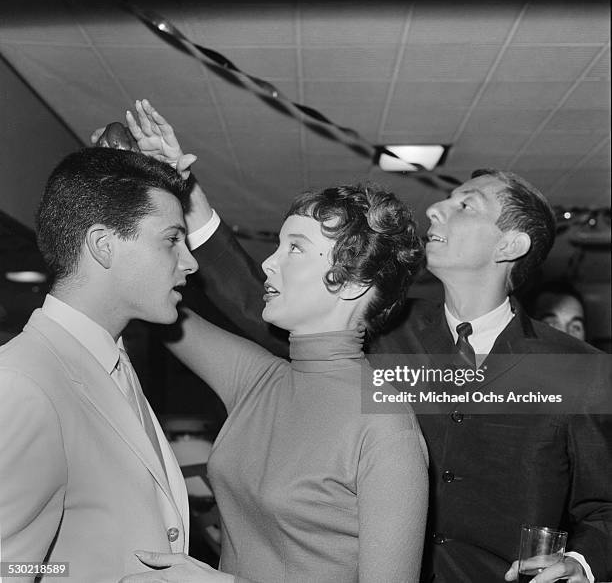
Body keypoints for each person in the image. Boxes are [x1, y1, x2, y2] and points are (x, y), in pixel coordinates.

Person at [111, 101, 611, 583]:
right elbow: (263, 302)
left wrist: (583, 562)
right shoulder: (386, 332)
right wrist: (183, 189)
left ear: (510, 244)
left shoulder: (575, 370)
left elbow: (606, 506)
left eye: (465, 205)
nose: (437, 206)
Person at [0, 147, 198, 582]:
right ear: (103, 245)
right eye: (171, 239)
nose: (189, 261)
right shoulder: (23, 382)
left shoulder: (109, 360)